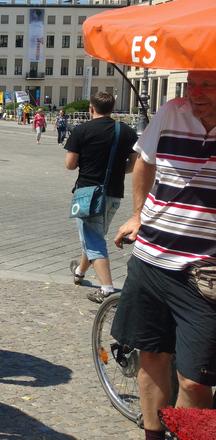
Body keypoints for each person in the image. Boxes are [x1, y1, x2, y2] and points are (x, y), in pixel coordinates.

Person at [111, 71, 216, 440]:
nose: (195, 94)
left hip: (204, 274)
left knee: (196, 380)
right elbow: (145, 161)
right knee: (152, 356)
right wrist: (138, 214)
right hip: (151, 259)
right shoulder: (172, 111)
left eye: (209, 85)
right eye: (192, 83)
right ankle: (153, 435)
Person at [64, 92, 137, 303]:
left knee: (94, 240)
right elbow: (133, 165)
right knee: (94, 235)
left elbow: (70, 164)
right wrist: (113, 172)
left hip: (87, 192)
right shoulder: (126, 131)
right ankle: (79, 272)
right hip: (114, 193)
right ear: (112, 108)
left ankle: (106, 289)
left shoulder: (82, 130)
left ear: (91, 108)